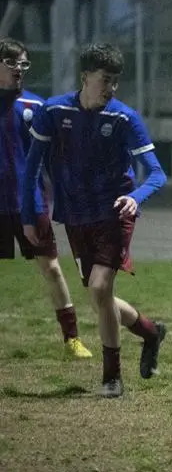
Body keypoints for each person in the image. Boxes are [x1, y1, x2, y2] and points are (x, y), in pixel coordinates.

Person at [21, 43, 169, 398]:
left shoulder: (123, 118)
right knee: (99, 296)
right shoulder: (52, 112)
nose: (111, 88)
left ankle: (111, 378)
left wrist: (135, 198)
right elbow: (31, 171)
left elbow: (158, 174)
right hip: (74, 216)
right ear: (85, 76)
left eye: (116, 81)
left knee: (100, 288)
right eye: (105, 79)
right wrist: (30, 217)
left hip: (114, 214)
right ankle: (149, 332)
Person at [0, 38, 91, 358]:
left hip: (30, 203)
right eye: (12, 64)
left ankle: (71, 339)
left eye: (23, 64)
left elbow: (55, 158)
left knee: (51, 268)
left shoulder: (36, 107)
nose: (19, 71)